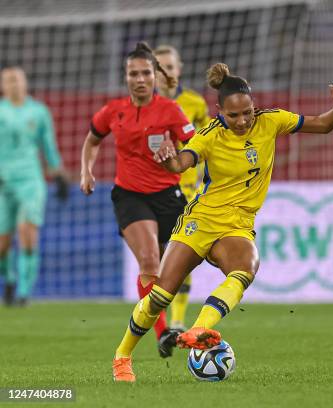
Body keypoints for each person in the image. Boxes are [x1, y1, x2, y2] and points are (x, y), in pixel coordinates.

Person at [111, 62, 333, 382]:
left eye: (247, 113)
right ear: (219, 111)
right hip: (201, 220)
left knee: (246, 268)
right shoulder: (209, 135)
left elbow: (322, 125)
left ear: (254, 107)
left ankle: (199, 329)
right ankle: (122, 357)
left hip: (237, 225)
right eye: (233, 115)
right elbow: (184, 161)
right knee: (160, 296)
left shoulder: (271, 121)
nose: (241, 121)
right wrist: (170, 160)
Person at [80, 42, 196, 358]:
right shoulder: (113, 111)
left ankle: (183, 319)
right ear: (126, 76)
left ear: (155, 76)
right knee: (148, 260)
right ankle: (162, 333)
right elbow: (92, 140)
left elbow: (196, 147)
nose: (140, 79)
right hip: (130, 195)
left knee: (175, 268)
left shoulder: (171, 111)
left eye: (146, 72)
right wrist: (86, 171)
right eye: (133, 73)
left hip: (169, 195)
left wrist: (177, 158)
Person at [0, 66, 69, 307]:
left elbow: (48, 146)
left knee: (28, 234)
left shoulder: (38, 111)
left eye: (17, 79)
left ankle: (23, 292)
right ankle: (8, 278)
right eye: (9, 80)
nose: (14, 84)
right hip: (2, 183)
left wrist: (59, 174)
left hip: (30, 181)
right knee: (2, 243)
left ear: (25, 83)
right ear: (2, 86)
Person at [153, 44, 211, 331]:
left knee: (181, 252)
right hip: (151, 190)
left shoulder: (194, 103)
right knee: (156, 258)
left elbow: (211, 139)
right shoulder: (140, 106)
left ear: (180, 69)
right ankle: (159, 321)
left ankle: (176, 321)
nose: (166, 74)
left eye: (170, 67)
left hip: (186, 190)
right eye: (160, 69)